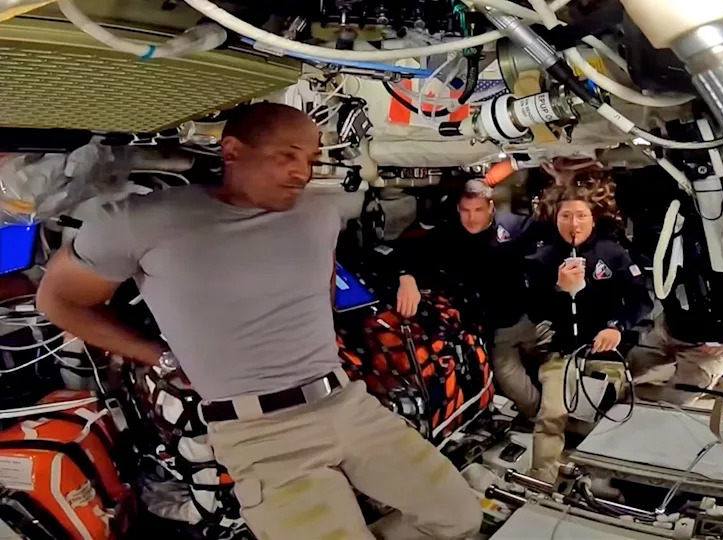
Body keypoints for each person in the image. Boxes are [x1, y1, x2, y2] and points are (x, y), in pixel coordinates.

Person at [37, 103, 482, 540]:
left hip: (348, 405)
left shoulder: (319, 214)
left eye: (309, 159)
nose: (302, 172)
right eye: (286, 155)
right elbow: (59, 302)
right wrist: (161, 356)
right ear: (232, 150)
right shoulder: (140, 222)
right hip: (261, 437)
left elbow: (322, 289)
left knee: (460, 517)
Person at [525, 173, 652, 483]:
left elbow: (641, 301)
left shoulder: (614, 254)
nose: (574, 224)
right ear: (556, 219)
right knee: (551, 416)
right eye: (566, 216)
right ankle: (541, 480)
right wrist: (559, 289)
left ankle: (607, 479)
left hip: (605, 351)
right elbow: (534, 310)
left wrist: (617, 326)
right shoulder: (542, 258)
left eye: (581, 215)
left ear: (593, 219)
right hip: (563, 352)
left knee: (611, 417)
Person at [395, 179, 543, 418]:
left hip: (529, 320)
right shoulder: (448, 235)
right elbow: (408, 252)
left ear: (491, 208)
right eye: (465, 210)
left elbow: (552, 240)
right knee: (518, 390)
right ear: (457, 209)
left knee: (558, 368)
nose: (471, 218)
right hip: (493, 333)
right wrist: (407, 278)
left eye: (478, 210)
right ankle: (542, 420)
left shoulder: (515, 227)